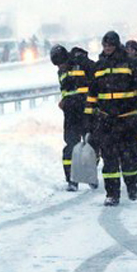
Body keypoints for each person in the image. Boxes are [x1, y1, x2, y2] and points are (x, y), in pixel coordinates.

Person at [86, 31, 137, 206]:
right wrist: (89, 117)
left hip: (127, 120)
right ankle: (112, 194)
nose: (107, 49)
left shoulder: (130, 64)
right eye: (105, 46)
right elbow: (92, 95)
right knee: (109, 159)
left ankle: (131, 184)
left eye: (110, 45)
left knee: (129, 158)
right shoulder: (98, 67)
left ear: (117, 45)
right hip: (106, 121)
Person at [50, 44, 95, 191]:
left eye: (61, 63)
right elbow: (65, 90)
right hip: (70, 113)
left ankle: (90, 175)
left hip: (86, 110)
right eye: (56, 65)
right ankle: (71, 180)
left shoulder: (80, 62)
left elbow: (95, 80)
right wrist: (64, 101)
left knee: (91, 143)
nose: (59, 67)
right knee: (70, 144)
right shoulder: (60, 72)